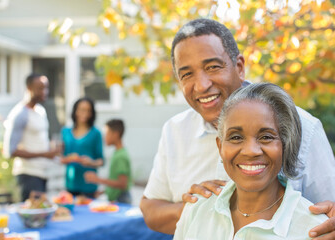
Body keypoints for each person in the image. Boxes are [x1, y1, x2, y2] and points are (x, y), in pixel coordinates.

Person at [140, 18, 335, 238]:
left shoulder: (303, 127)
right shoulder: (175, 131)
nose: (202, 85)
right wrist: (201, 209)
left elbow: (330, 213)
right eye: (187, 74)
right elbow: (150, 209)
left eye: (212, 67)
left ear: (239, 67)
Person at [174, 82, 329, 239]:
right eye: (235, 137)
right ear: (220, 146)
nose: (251, 151)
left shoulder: (316, 229)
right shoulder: (197, 209)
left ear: (285, 145)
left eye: (266, 137)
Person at [3, 73, 60, 201]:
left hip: (43, 173)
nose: (44, 91)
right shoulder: (20, 114)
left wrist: (52, 151)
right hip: (28, 175)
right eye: (40, 88)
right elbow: (10, 151)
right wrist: (44, 154)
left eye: (46, 87)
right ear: (29, 88)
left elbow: (39, 142)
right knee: (34, 216)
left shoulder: (41, 111)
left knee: (41, 214)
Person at [60, 97, 104, 198]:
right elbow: (61, 157)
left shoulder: (96, 133)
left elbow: (101, 161)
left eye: (89, 110)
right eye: (82, 110)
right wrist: (68, 159)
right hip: (70, 184)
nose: (85, 113)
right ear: (75, 111)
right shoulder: (65, 132)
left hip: (89, 186)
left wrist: (91, 162)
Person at [84, 119, 132, 204]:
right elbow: (114, 179)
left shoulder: (120, 156)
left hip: (121, 200)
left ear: (116, 134)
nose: (104, 137)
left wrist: (97, 179)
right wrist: (103, 191)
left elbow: (122, 184)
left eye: (107, 133)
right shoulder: (117, 153)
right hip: (117, 198)